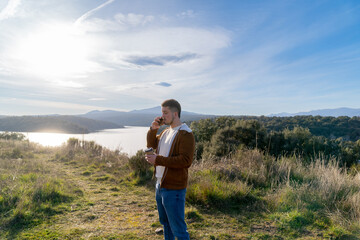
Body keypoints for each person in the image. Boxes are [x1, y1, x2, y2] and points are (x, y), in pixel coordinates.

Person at [145, 99, 195, 240]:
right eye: (162, 113)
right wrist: (153, 129)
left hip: (174, 189)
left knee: (178, 229)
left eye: (165, 113)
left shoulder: (186, 134)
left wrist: (158, 160)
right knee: (166, 224)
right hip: (160, 185)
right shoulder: (167, 131)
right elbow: (152, 144)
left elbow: (186, 161)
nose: (162, 116)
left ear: (175, 113)